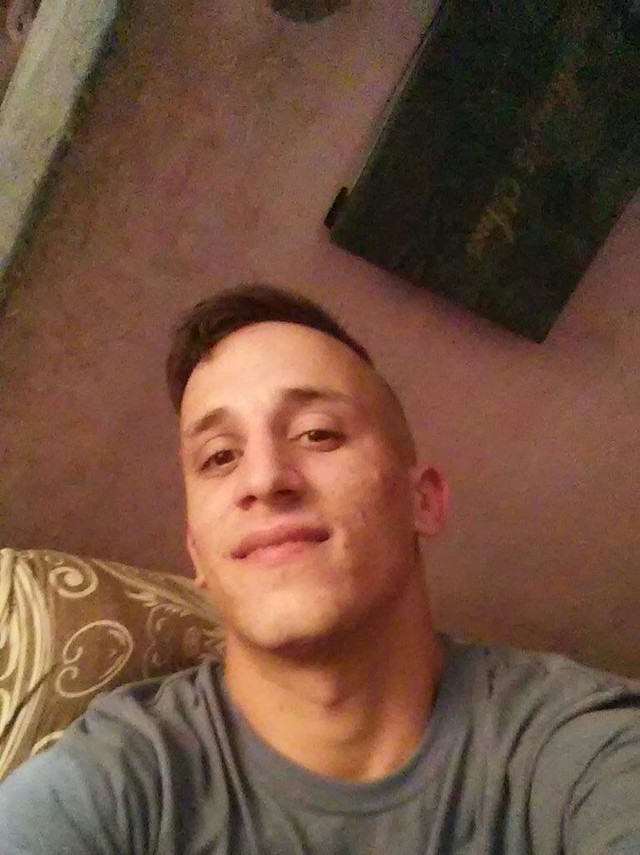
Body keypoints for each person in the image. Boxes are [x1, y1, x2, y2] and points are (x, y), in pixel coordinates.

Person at [1, 283, 639, 854]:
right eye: (220, 457)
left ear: (423, 500)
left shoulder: (578, 745)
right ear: (196, 550)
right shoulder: (120, 778)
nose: (264, 479)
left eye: (317, 434)